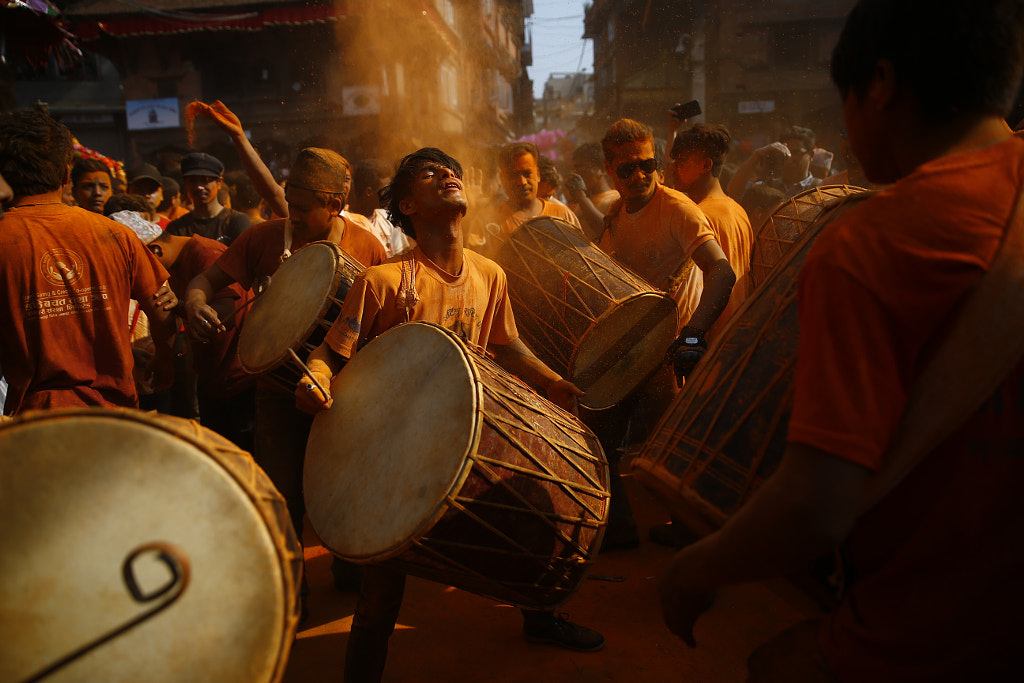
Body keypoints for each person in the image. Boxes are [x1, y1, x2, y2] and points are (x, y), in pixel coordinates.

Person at [658, 2, 1024, 681]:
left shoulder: (871, 241)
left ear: (879, 84)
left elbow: (816, 505)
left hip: (933, 633)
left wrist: (691, 567)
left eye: (847, 98)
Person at [296, 148, 605, 682]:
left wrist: (551, 379)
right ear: (408, 205)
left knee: (524, 527)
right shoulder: (385, 282)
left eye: (453, 170)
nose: (448, 175)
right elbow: (329, 353)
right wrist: (315, 377)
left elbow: (508, 345)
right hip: (397, 455)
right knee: (380, 600)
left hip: (472, 439)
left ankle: (540, 616)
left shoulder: (490, 274)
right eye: (430, 174)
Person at [184, 146, 385, 604]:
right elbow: (203, 283)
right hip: (275, 390)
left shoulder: (366, 245)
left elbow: (380, 321)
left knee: (345, 484)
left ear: (335, 204)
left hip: (343, 391)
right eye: (289, 204)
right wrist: (195, 305)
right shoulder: (262, 238)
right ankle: (292, 590)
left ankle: (351, 565)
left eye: (302, 208)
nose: (291, 216)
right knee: (282, 494)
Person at [593, 118, 736, 549]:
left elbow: (722, 271)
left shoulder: (678, 209)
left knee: (674, 449)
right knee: (601, 435)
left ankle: (696, 546)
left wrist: (693, 336)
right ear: (609, 169)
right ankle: (619, 531)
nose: (639, 176)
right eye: (626, 169)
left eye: (647, 165)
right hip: (632, 346)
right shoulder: (615, 215)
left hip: (672, 349)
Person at [0, 110, 175, 415]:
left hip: (35, 422)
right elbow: (163, 309)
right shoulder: (115, 234)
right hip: (115, 414)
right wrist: (164, 360)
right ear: (67, 175)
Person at [144, 222, 256, 451]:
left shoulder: (206, 253)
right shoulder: (175, 263)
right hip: (214, 378)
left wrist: (181, 306)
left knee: (239, 466)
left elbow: (225, 317)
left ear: (156, 251)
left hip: (239, 380)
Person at [668, 123, 754, 338]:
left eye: (681, 162)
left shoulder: (697, 215)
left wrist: (691, 337)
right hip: (736, 337)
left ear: (706, 165)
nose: (672, 169)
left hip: (707, 340)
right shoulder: (738, 210)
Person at [473, 141, 581, 258]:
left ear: (538, 174)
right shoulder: (485, 221)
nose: (521, 182)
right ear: (502, 179)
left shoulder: (563, 215)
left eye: (527, 173)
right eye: (513, 175)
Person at [167, 152, 250, 245]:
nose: (199, 187)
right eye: (192, 181)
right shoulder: (177, 228)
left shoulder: (236, 221)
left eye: (205, 181)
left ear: (219, 182)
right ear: (185, 184)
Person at [727, 125, 822, 200]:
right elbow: (733, 190)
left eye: (797, 153)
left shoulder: (821, 188)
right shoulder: (768, 188)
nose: (790, 158)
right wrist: (756, 155)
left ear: (811, 155)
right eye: (785, 153)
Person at [347, 158, 414, 258]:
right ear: (369, 192)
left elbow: (401, 259)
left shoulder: (390, 219)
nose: (391, 195)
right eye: (386, 190)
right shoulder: (345, 222)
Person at [564, 141, 620, 242]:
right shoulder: (583, 201)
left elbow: (606, 231)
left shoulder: (615, 199)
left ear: (603, 169)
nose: (578, 174)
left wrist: (582, 199)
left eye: (583, 168)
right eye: (576, 168)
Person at [127, 162, 167, 228]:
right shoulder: (122, 226)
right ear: (128, 192)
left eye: (151, 190)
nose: (146, 195)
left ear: (161, 194)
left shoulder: (171, 228)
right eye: (139, 190)